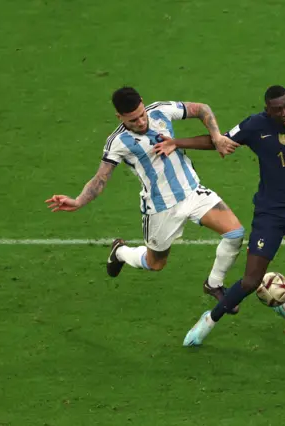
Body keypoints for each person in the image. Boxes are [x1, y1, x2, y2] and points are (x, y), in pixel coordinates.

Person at [153, 85, 285, 346]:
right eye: (279, 110)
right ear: (268, 111)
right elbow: (218, 140)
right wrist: (177, 142)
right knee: (250, 280)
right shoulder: (255, 126)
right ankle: (208, 320)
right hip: (270, 215)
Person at [45, 86, 244, 312]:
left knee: (235, 233)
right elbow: (101, 177)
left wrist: (216, 136)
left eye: (141, 115)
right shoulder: (117, 142)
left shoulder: (160, 111)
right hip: (160, 209)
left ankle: (213, 284)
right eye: (132, 120)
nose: (140, 122)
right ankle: (120, 252)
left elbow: (201, 108)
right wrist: (79, 200)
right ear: (119, 117)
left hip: (193, 192)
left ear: (142, 102)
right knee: (155, 264)